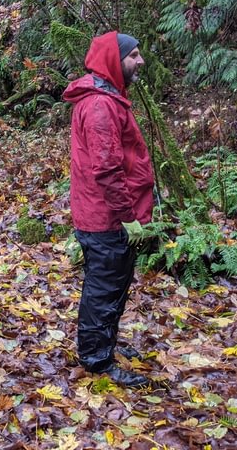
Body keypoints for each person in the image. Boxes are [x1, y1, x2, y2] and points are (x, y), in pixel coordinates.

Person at [62, 31, 155, 388]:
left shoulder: (108, 99)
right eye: (133, 55)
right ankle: (97, 361)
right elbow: (107, 169)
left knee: (112, 287)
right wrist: (128, 217)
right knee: (103, 291)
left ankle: (104, 345)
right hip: (107, 219)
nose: (140, 61)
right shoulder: (100, 105)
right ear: (115, 60)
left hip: (107, 216)